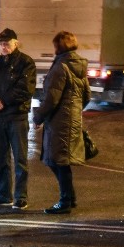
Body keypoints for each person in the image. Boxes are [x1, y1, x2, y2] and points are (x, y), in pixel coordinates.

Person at [32, 31, 90, 215]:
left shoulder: (61, 67)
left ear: (59, 46)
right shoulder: (77, 65)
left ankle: (66, 201)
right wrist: (74, 110)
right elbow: (87, 96)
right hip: (70, 119)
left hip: (59, 121)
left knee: (58, 161)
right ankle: (69, 197)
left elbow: (51, 99)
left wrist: (38, 116)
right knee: (57, 160)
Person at [0, 28, 36, 210]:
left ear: (15, 43)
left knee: (20, 158)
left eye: (7, 43)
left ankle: (21, 196)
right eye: (1, 44)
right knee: (1, 159)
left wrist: (1, 101)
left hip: (17, 117)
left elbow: (25, 89)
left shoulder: (26, 63)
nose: (4, 47)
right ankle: (3, 195)